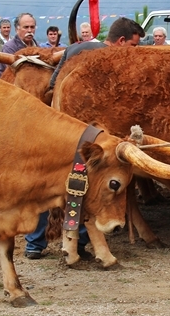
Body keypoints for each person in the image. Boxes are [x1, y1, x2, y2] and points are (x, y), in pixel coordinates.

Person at [27, 17, 145, 260]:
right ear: (121, 42)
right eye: (133, 47)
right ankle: (76, 242)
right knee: (82, 185)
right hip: (89, 136)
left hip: (59, 130)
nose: (135, 53)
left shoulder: (74, 48)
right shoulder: (112, 60)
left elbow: (52, 85)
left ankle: (35, 243)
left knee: (53, 183)